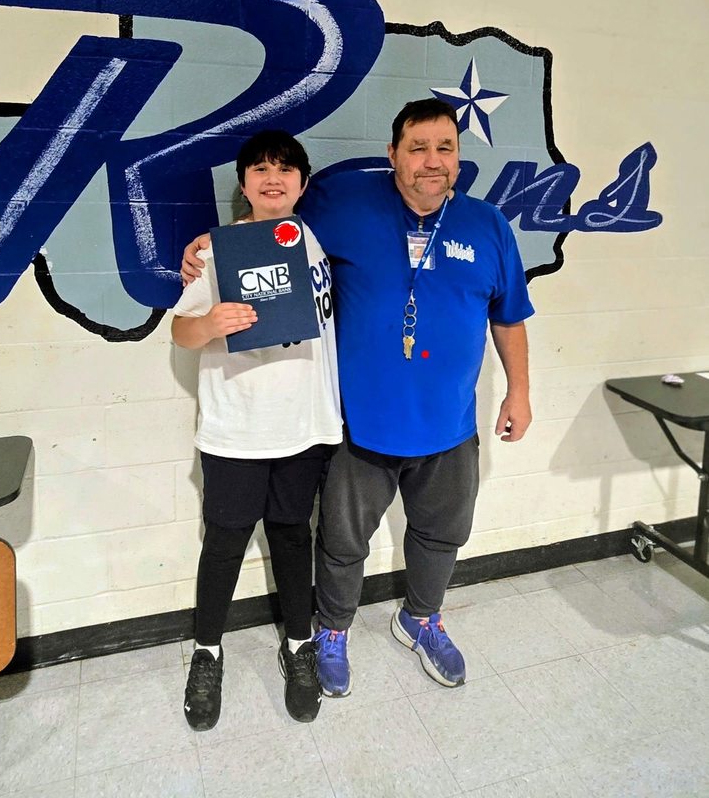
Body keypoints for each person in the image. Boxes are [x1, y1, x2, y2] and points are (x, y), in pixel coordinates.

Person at [181, 98, 533, 699]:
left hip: (451, 424)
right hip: (359, 425)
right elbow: (270, 214)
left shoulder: (489, 225)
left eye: (444, 147)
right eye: (417, 147)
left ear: (458, 156)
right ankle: (333, 630)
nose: (431, 160)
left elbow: (509, 317)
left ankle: (420, 618)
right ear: (392, 154)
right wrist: (205, 246)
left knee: (442, 533)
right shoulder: (340, 205)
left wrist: (520, 391)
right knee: (342, 542)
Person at [171, 129, 341, 731]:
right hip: (236, 430)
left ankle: (299, 645)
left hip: (305, 426)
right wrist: (210, 322)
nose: (274, 178)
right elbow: (181, 332)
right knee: (224, 545)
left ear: (301, 181)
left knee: (295, 538)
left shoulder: (318, 239)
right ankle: (206, 652)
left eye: (286, 168)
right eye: (261, 169)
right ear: (243, 183)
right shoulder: (217, 252)